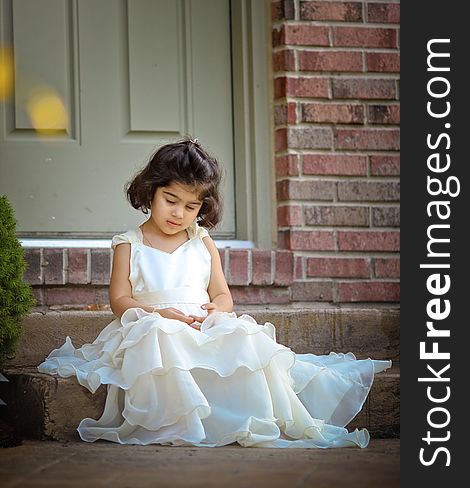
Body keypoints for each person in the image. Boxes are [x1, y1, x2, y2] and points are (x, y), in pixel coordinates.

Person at [37, 137, 392, 448]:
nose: (179, 213)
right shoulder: (129, 245)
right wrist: (159, 315)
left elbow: (223, 296)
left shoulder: (202, 242)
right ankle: (181, 419)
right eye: (170, 200)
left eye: (191, 207)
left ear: (203, 207)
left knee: (240, 334)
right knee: (160, 335)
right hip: (149, 324)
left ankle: (242, 416)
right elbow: (120, 302)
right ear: (150, 191)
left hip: (200, 321)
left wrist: (214, 313)